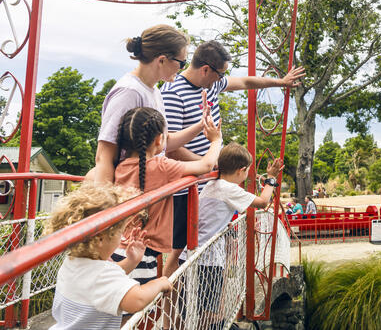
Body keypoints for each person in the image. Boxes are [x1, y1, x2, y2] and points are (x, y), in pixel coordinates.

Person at [160, 40, 305, 276]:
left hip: (212, 182)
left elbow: (246, 82)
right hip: (189, 187)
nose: (222, 79)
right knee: (180, 252)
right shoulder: (173, 93)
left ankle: (203, 301)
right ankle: (169, 306)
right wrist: (209, 164)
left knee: (212, 241)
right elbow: (171, 147)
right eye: (221, 74)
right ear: (206, 69)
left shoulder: (211, 85)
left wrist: (281, 82)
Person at [110, 107, 222, 291]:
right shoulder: (161, 166)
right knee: (139, 316)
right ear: (159, 140)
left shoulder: (120, 166)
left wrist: (201, 123)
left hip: (116, 248)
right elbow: (206, 165)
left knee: (122, 312)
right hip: (140, 254)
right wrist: (216, 141)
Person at [178, 143, 283, 329]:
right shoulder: (229, 189)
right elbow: (262, 202)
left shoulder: (212, 183)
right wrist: (272, 179)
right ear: (241, 170)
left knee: (192, 309)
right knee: (211, 313)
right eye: (247, 172)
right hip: (207, 261)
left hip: (189, 256)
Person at [46, 184, 172, 330]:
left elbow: (101, 278)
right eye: (120, 232)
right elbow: (137, 300)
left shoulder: (72, 261)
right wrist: (159, 283)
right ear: (100, 239)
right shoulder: (102, 275)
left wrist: (131, 261)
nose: (122, 238)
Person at [93, 25, 207, 184]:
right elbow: (104, 155)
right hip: (128, 193)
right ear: (162, 60)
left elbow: (163, 142)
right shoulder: (129, 92)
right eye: (182, 63)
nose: (183, 68)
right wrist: (107, 203)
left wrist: (202, 124)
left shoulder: (154, 91)